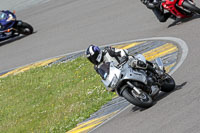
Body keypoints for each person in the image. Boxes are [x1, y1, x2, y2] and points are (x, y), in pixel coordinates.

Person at [85, 45, 160, 81]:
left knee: (135, 62)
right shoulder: (97, 67)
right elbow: (104, 77)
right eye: (91, 59)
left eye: (93, 56)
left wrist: (123, 56)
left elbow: (121, 51)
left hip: (126, 64)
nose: (93, 59)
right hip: (118, 75)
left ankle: (156, 72)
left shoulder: (108, 51)